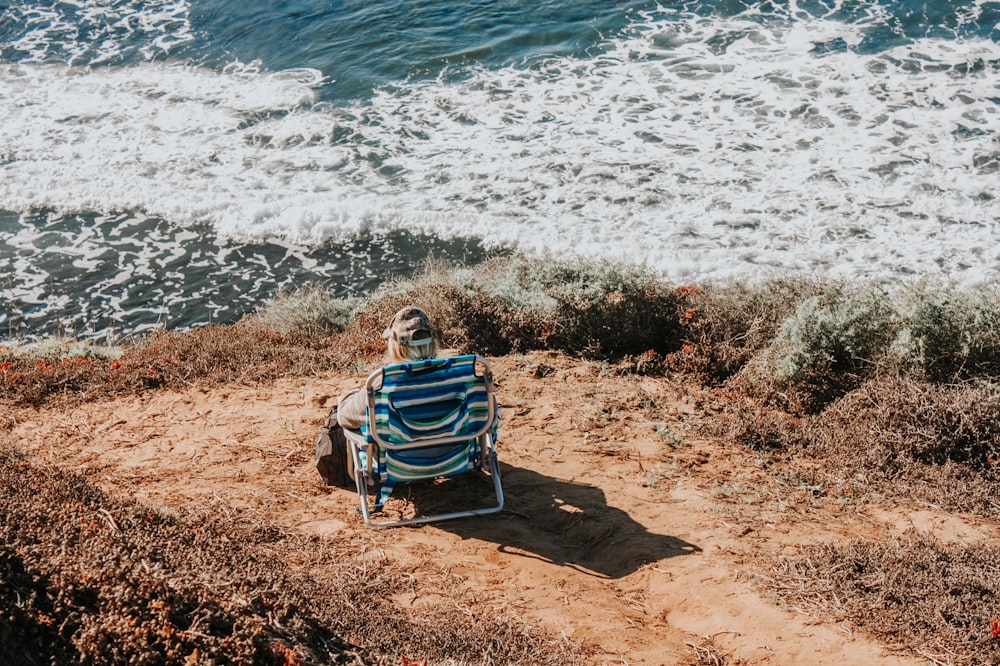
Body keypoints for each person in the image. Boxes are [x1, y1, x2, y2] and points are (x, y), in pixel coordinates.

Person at [336, 305, 439, 431]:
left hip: (400, 449)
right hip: (454, 450)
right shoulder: (457, 373)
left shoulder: (385, 380)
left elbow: (345, 417)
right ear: (433, 341)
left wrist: (347, 396)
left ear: (396, 345)